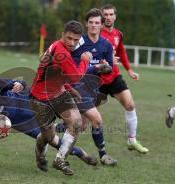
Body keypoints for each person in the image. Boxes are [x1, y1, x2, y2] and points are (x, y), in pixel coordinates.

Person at [0, 66, 97, 167]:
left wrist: (19, 84)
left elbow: (18, 83)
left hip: (26, 106)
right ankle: (79, 152)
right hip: (20, 123)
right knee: (52, 141)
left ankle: (65, 122)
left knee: (55, 110)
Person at [30, 20, 92, 175]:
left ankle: (60, 159)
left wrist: (68, 89)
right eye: (69, 38)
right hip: (40, 98)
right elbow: (76, 77)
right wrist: (85, 61)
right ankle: (40, 155)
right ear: (62, 35)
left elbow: (55, 73)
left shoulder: (57, 45)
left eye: (75, 40)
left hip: (57, 92)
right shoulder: (61, 52)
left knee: (76, 122)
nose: (72, 43)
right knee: (48, 136)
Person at [70, 8, 117, 166]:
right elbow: (70, 67)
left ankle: (51, 130)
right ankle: (103, 155)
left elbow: (110, 67)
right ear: (86, 24)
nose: (94, 25)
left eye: (97, 23)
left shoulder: (106, 45)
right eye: (91, 22)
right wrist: (93, 68)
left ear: (102, 25)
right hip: (77, 87)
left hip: (93, 90)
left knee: (80, 126)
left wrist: (106, 67)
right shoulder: (78, 42)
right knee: (97, 120)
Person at [100, 4, 149, 153]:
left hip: (114, 76)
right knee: (83, 121)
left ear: (115, 16)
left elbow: (121, 51)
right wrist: (106, 60)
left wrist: (129, 70)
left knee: (130, 105)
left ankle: (132, 140)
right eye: (105, 15)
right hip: (97, 79)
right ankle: (57, 131)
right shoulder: (96, 33)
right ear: (102, 17)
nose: (108, 17)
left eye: (110, 14)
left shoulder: (118, 34)